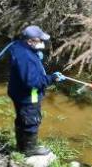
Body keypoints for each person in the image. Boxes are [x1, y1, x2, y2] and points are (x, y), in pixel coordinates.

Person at [8, 25, 66, 156]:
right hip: (29, 95)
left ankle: (21, 146)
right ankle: (29, 149)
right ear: (30, 41)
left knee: (22, 118)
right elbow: (32, 82)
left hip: (17, 91)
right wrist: (52, 78)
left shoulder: (18, 47)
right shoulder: (26, 58)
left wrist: (35, 55)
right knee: (31, 119)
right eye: (39, 40)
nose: (42, 42)